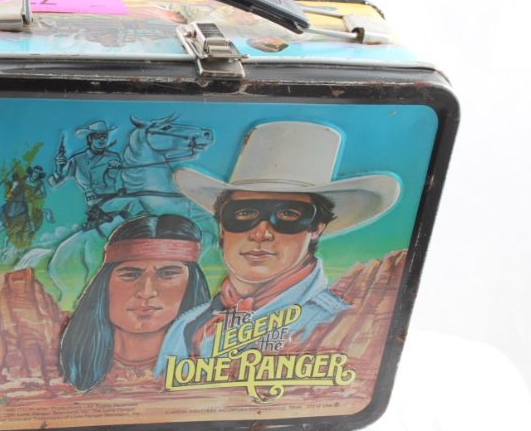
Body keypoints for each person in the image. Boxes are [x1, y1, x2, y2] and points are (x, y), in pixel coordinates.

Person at [155, 121, 401, 371]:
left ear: (316, 228)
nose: (261, 234)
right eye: (244, 214)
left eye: (288, 215)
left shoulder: (339, 324)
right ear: (221, 227)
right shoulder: (187, 326)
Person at [60, 214, 210, 392]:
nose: (146, 292)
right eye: (130, 275)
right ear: (105, 284)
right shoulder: (58, 364)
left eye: (167, 274)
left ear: (192, 284)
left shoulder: (213, 363)